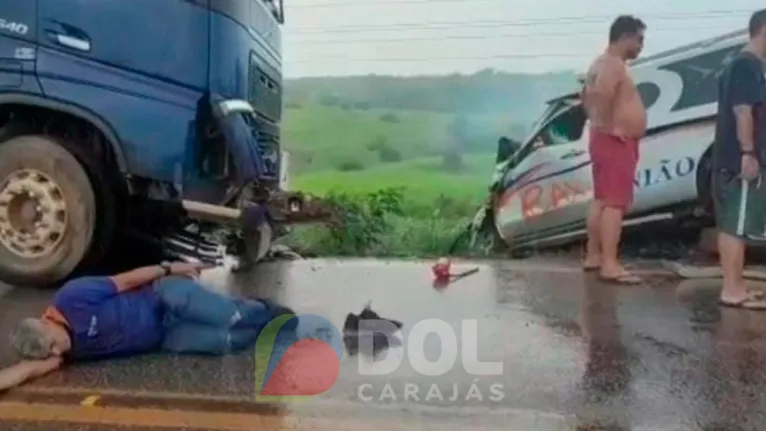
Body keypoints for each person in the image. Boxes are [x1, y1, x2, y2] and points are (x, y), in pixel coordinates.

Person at [0, 261, 296, 391]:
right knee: (227, 341)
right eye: (50, 352)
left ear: (46, 321)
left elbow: (127, 279)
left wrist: (171, 268)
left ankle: (268, 310)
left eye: (52, 342)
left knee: (231, 316)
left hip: (163, 297)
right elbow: (23, 371)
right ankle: (269, 329)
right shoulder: (54, 353)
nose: (57, 351)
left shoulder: (73, 297)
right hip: (166, 336)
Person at [581, 15, 647, 284]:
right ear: (624, 37)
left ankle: (594, 255)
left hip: (605, 139)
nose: (641, 46)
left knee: (601, 199)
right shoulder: (613, 66)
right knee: (614, 203)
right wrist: (611, 128)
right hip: (614, 142)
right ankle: (610, 263)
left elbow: (585, 98)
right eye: (639, 40)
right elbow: (598, 99)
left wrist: (600, 125)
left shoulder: (600, 64)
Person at [713, 9, 766, 310]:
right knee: (735, 224)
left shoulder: (749, 66)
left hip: (735, 156)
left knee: (739, 222)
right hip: (738, 158)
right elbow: (742, 111)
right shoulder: (745, 66)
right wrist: (748, 152)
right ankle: (732, 290)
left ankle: (737, 285)